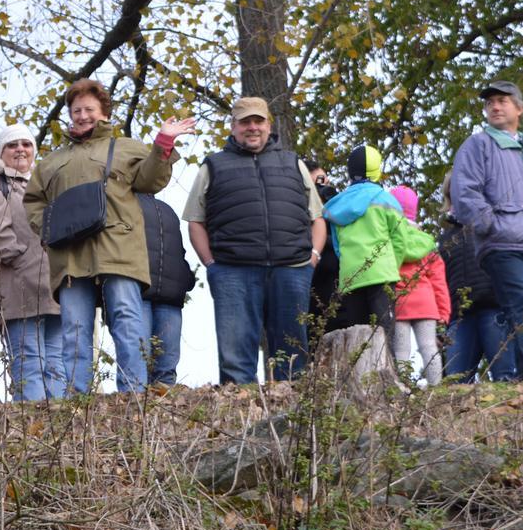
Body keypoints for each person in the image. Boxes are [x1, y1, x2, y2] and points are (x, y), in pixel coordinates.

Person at [25, 79, 195, 395]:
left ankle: (132, 393)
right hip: (71, 256)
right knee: (75, 329)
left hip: (119, 250)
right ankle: (77, 399)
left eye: (89, 109)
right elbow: (33, 202)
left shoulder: (127, 147)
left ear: (104, 113)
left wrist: (163, 143)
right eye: (76, 110)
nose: (82, 115)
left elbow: (152, 180)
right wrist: (47, 228)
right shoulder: (50, 162)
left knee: (128, 323)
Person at [184, 97, 325, 385]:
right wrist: (211, 264)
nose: (252, 127)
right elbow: (195, 220)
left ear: (268, 125)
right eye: (245, 122)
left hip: (292, 268)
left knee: (293, 354)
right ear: (233, 127)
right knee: (236, 359)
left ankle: (294, 416)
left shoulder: (293, 163)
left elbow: (317, 217)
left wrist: (313, 257)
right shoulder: (213, 166)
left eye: (258, 121)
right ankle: (240, 416)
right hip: (233, 270)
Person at [448, 81, 523, 382]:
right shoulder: (478, 144)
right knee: (522, 303)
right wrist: (489, 224)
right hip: (502, 241)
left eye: (502, 101)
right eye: (490, 103)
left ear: (520, 108)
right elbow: (464, 193)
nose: (495, 107)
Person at [0, 125, 63, 401]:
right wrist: (20, 257)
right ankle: (33, 431)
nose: (20, 149)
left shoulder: (45, 185)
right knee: (29, 361)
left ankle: (62, 429)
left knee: (56, 362)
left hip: (53, 286)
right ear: (1, 152)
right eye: (12, 145)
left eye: (26, 144)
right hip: (16, 284)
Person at [322, 145, 434, 338]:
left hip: (351, 276)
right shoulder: (385, 199)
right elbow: (400, 240)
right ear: (377, 171)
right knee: (383, 335)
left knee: (358, 336)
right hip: (382, 273)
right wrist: (393, 264)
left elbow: (338, 247)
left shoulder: (338, 205)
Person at [438, 178, 518, 382]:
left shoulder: (490, 223)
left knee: (504, 377)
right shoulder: (446, 238)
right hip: (459, 315)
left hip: (493, 306)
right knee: (455, 382)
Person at [388, 185, 450, 386]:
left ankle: (404, 387)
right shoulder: (427, 243)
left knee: (401, 350)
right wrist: (444, 312)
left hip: (399, 300)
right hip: (426, 302)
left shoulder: (389, 240)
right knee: (429, 347)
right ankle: (436, 386)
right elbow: (438, 281)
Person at [140, 193, 195, 388]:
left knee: (140, 358)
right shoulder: (167, 210)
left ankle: (137, 402)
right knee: (165, 369)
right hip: (171, 293)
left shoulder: (125, 208)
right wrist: (186, 279)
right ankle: (165, 403)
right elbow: (180, 253)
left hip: (140, 289)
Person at [306, 164, 342, 337]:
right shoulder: (299, 209)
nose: (324, 186)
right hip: (311, 291)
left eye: (326, 181)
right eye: (318, 181)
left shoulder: (337, 210)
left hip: (338, 293)